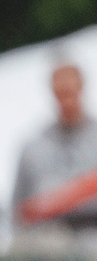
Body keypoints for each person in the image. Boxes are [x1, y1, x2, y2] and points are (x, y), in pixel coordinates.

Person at [15, 57, 97, 227]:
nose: (66, 101)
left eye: (70, 91)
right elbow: (18, 211)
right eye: (61, 93)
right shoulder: (34, 149)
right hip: (49, 235)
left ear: (81, 87)